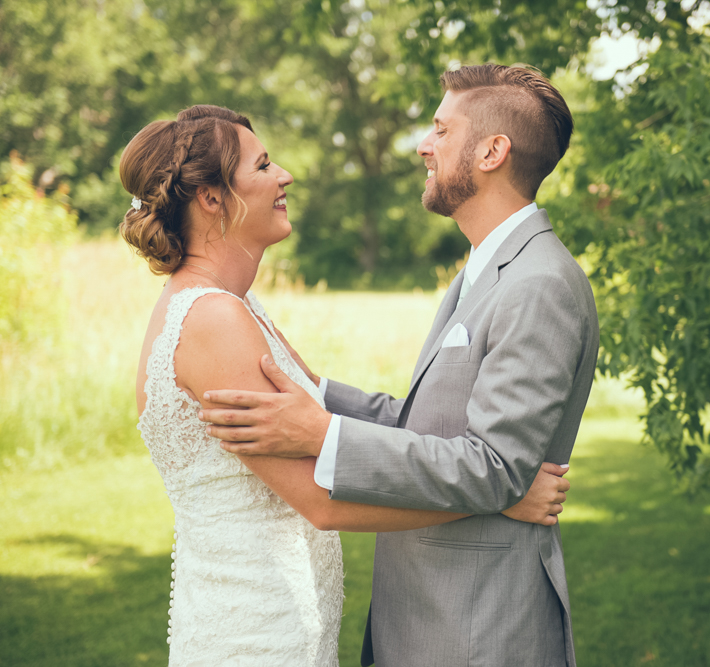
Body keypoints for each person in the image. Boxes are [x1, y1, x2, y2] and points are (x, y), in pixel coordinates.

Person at [119, 103, 570, 667]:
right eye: (262, 167)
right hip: (256, 629)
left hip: (282, 615)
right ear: (212, 198)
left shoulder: (236, 307)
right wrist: (499, 498)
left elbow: (315, 396)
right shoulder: (214, 320)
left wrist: (491, 475)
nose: (284, 175)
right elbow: (323, 499)